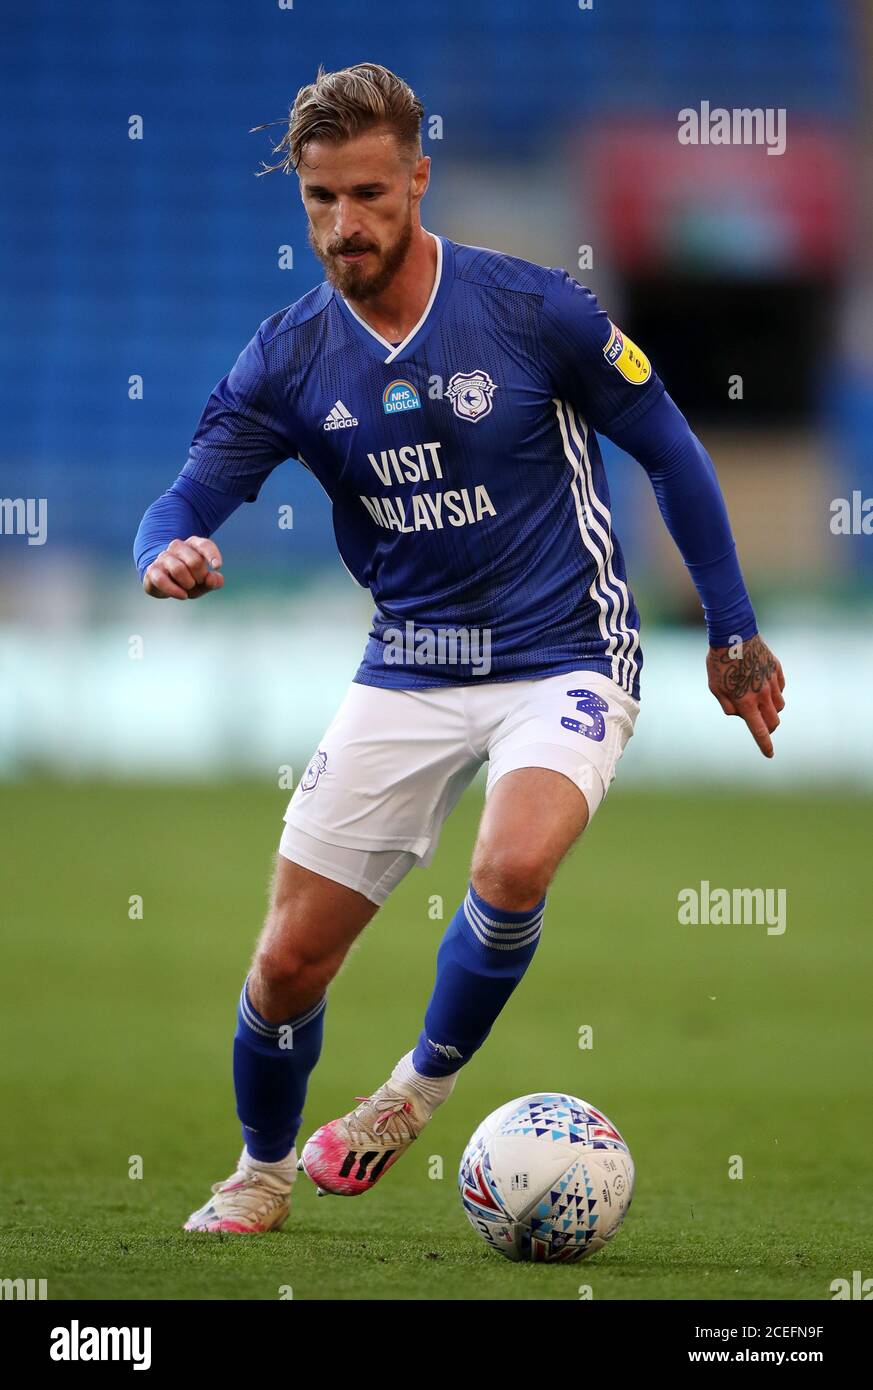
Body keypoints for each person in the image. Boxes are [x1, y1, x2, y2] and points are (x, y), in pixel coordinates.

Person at [134, 63, 785, 1234]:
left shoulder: (537, 310)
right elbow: (181, 500)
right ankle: (261, 1171)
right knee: (285, 966)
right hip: (409, 664)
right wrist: (166, 550)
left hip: (566, 649)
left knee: (511, 866)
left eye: (372, 194)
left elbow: (672, 448)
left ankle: (407, 1096)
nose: (347, 225)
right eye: (323, 200)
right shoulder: (286, 361)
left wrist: (733, 629)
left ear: (420, 179)